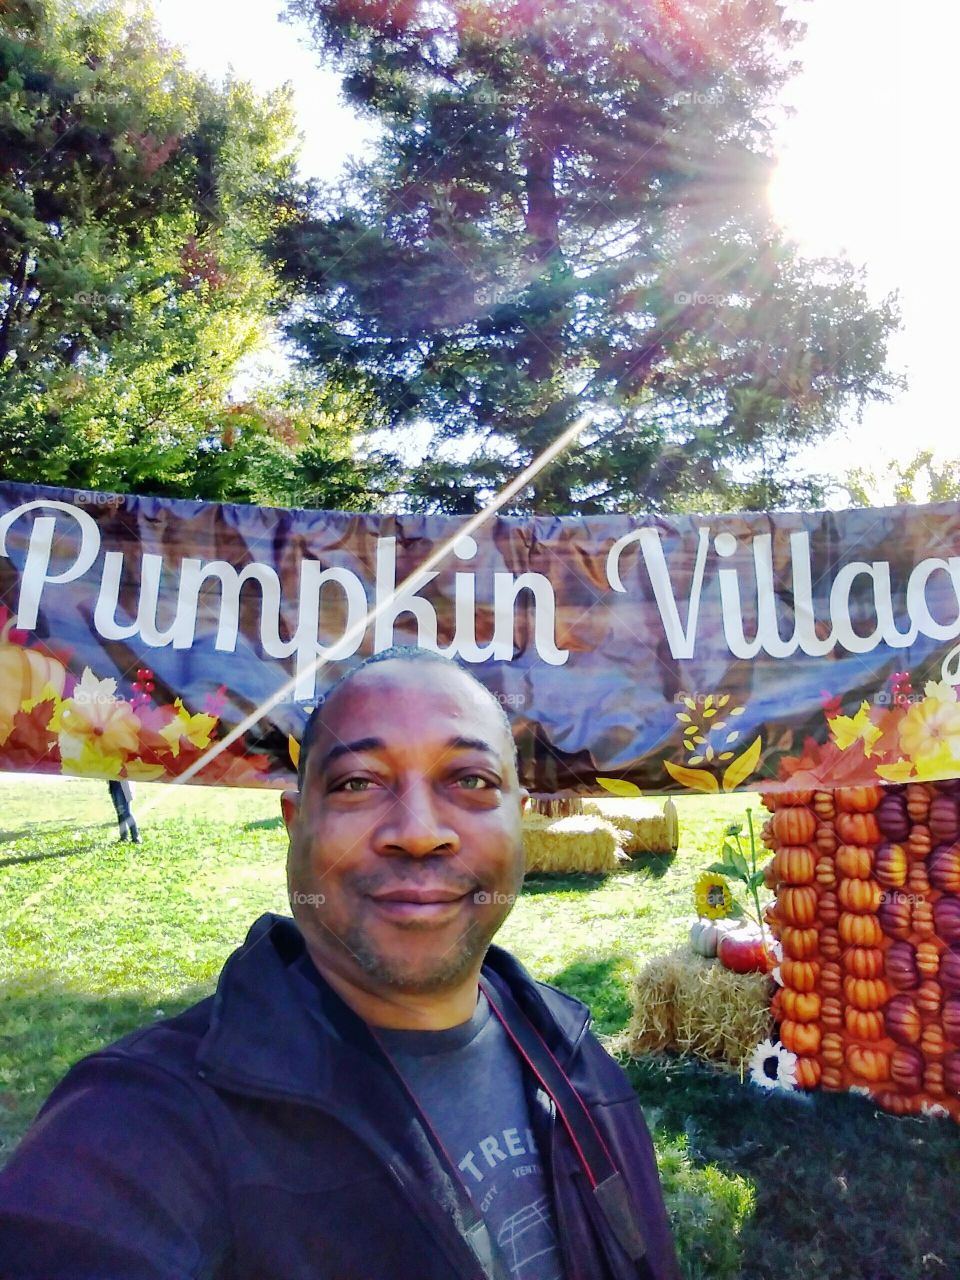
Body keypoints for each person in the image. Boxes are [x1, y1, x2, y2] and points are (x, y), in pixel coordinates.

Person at [0, 645, 681, 1280]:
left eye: (470, 779)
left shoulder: (576, 1054)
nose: (418, 832)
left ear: (520, 820)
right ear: (296, 824)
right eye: (358, 783)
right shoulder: (144, 1127)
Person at [107, 778, 141, 843]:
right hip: (113, 784)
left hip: (123, 786)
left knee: (126, 813)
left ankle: (136, 837)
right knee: (120, 813)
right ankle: (123, 837)